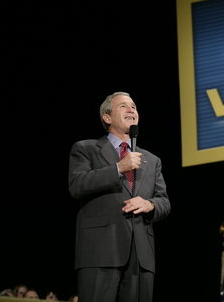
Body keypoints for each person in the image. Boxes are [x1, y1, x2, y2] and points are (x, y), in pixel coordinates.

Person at [69, 91, 171, 302]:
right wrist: (118, 168)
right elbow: (77, 185)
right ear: (107, 117)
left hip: (140, 255)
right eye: (123, 106)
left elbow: (164, 201)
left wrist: (149, 204)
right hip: (100, 251)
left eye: (133, 106)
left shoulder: (151, 160)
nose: (131, 109)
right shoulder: (85, 149)